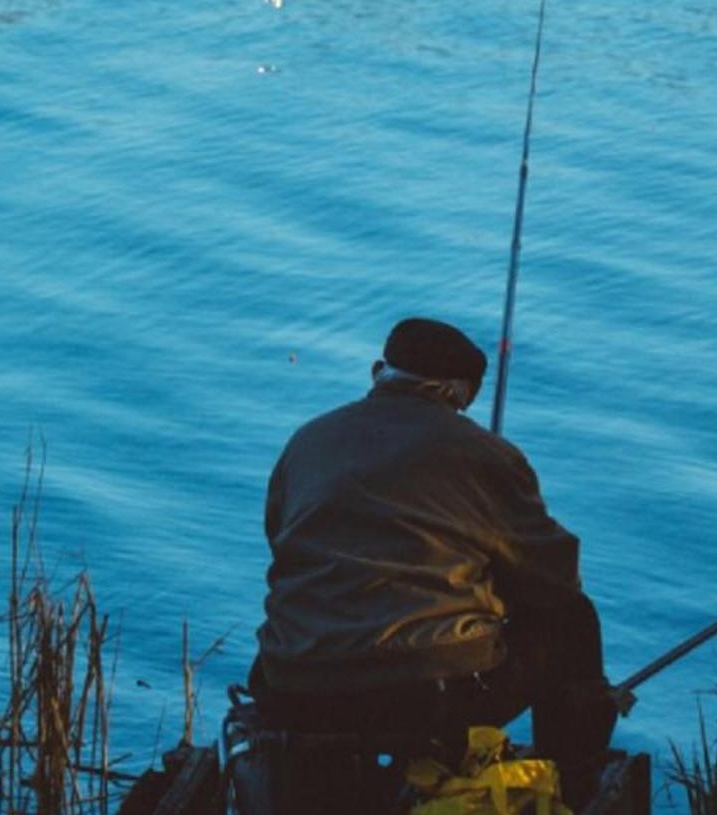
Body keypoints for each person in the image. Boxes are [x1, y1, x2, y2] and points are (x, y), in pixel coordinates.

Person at [249, 317, 617, 774]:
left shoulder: (308, 441)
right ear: (458, 394)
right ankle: (571, 784)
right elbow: (556, 580)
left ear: (377, 371)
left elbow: (281, 542)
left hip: (292, 688)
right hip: (423, 698)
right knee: (572, 620)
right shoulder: (485, 453)